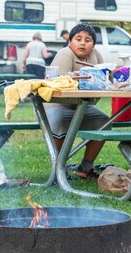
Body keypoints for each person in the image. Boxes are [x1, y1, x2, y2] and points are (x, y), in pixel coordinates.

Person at [45, 23, 109, 179]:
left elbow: (106, 76)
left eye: (88, 40)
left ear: (93, 44)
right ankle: (57, 169)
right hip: (57, 104)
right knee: (60, 122)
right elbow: (58, 82)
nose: (83, 43)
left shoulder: (96, 55)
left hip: (83, 105)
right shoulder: (65, 54)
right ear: (70, 42)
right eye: (78, 39)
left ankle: (85, 166)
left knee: (104, 122)